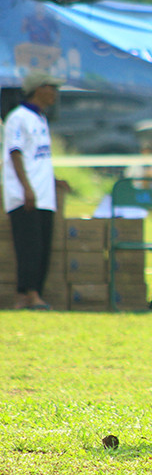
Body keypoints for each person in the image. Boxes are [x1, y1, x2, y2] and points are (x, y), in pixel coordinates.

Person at [3, 70, 64, 310]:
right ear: (39, 88)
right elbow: (15, 154)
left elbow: (37, 158)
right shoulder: (18, 117)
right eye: (52, 87)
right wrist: (26, 188)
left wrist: (55, 180)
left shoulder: (41, 118)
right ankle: (26, 294)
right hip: (25, 195)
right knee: (28, 245)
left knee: (42, 246)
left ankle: (34, 292)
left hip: (43, 194)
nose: (55, 93)